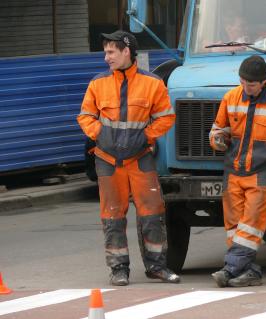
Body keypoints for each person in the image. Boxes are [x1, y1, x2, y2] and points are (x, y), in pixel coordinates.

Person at [77, 30, 180, 286]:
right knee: (112, 215)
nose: (106, 58)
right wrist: (100, 134)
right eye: (105, 52)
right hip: (108, 160)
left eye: (111, 52)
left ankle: (157, 266)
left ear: (126, 51)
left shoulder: (153, 83)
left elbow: (166, 117)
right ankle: (118, 269)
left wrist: (146, 137)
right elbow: (85, 116)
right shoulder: (97, 83)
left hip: (140, 158)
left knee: (152, 213)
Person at [209, 55, 266, 287]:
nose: (246, 88)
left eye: (250, 84)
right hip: (234, 169)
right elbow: (218, 129)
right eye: (242, 82)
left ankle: (230, 269)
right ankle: (249, 271)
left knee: (251, 222)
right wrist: (218, 140)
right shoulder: (231, 97)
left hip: (263, 172)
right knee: (233, 224)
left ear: (263, 82)